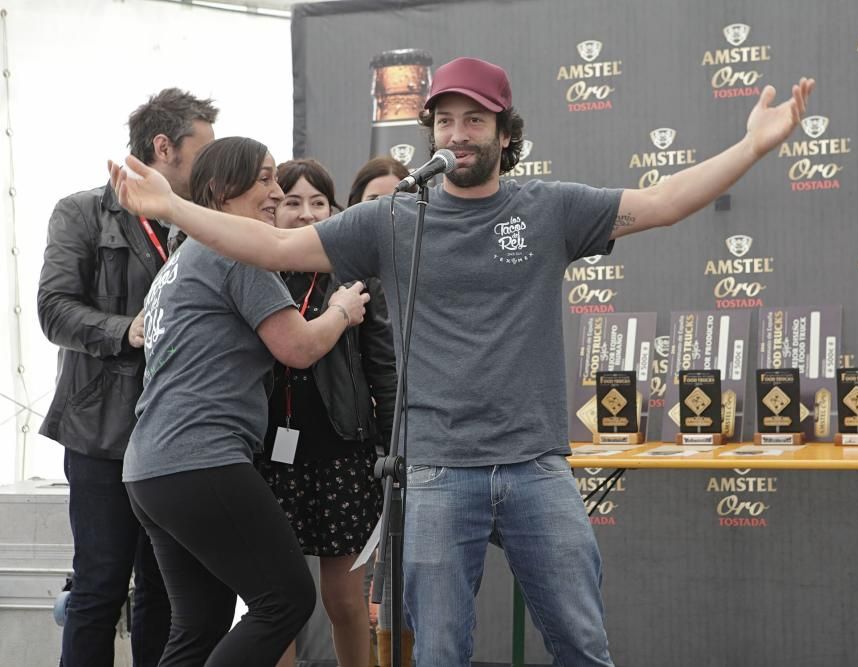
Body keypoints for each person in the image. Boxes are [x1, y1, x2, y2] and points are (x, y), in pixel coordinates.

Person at [109, 57, 814, 666]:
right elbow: (275, 249)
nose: (457, 134)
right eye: (444, 121)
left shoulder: (551, 209)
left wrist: (751, 146)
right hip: (441, 471)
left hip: (537, 466)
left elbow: (661, 201)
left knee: (580, 641)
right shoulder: (394, 218)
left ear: (507, 134)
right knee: (440, 650)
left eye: (474, 121)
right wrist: (177, 207)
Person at [121, 136, 371, 666]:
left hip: (150, 469)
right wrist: (342, 310)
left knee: (200, 625)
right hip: (199, 460)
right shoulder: (235, 252)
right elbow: (298, 348)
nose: (277, 193)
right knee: (286, 600)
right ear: (219, 190)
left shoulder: (180, 260)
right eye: (264, 179)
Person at [38, 87, 217, 667]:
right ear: (164, 148)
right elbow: (53, 310)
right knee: (100, 585)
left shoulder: (201, 221)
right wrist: (128, 330)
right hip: (101, 431)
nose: (211, 166)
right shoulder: (81, 212)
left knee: (165, 595)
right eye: (202, 151)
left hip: (176, 432)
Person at [259, 158, 396, 667]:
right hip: (270, 456)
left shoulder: (356, 274)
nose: (306, 214)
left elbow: (383, 368)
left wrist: (391, 448)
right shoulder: (258, 270)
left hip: (345, 451)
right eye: (292, 202)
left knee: (344, 601)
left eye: (318, 202)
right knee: (279, 602)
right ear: (273, 208)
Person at [344, 156, 415, 667]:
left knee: (417, 584)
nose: (389, 211)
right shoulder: (353, 277)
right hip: (374, 450)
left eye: (403, 199)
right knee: (370, 588)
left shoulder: (439, 263)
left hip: (437, 446)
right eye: (375, 202)